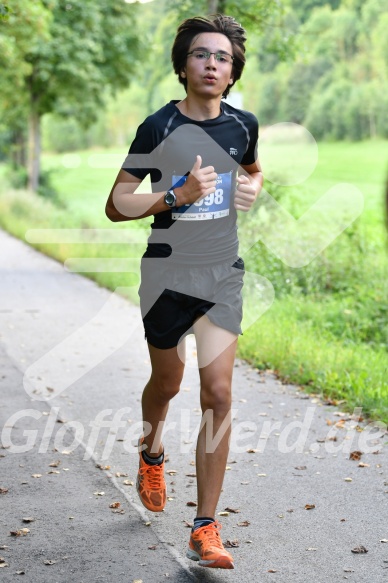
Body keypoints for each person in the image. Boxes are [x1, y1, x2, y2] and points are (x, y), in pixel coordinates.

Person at [105, 14, 263, 570]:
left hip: (223, 274)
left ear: (232, 71)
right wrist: (176, 195)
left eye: (222, 57)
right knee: (167, 383)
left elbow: (254, 168)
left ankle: (205, 526)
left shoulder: (243, 126)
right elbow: (117, 203)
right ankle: (151, 452)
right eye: (202, 54)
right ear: (183, 65)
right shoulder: (157, 128)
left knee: (217, 393)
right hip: (167, 276)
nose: (212, 64)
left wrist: (251, 188)